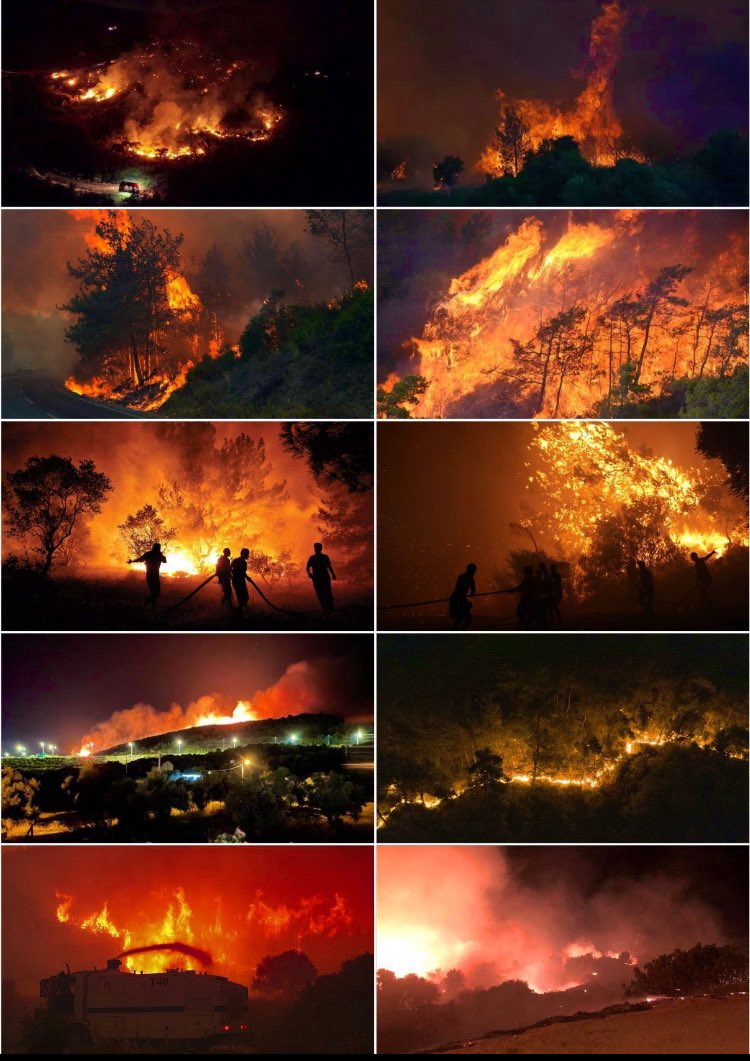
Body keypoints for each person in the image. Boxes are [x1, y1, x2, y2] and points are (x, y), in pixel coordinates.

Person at [128, 542, 167, 608]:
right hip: (152, 575)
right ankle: (148, 602)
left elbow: (164, 561)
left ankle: (151, 604)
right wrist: (132, 561)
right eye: (158, 548)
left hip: (153, 575)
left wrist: (132, 561)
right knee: (156, 593)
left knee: (155, 593)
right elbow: (140, 559)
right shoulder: (154, 555)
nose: (158, 549)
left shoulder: (150, 554)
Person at [306, 542, 336, 613]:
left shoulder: (324, 557)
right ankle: (325, 607)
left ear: (320, 548)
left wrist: (333, 574)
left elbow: (329, 567)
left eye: (316, 548)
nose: (315, 549)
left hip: (322, 578)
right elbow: (307, 567)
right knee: (320, 593)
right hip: (317, 578)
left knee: (326, 592)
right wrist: (309, 573)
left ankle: (330, 607)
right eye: (315, 548)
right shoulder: (313, 558)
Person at [448, 562, 477, 629]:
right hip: (457, 599)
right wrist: (466, 600)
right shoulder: (463, 577)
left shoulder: (469, 578)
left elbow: (473, 591)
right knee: (464, 618)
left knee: (462, 618)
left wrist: (472, 593)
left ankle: (457, 632)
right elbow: (458, 591)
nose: (473, 573)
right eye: (473, 571)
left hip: (460, 599)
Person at [231, 548, 253, 618]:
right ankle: (237, 615)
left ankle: (239, 613)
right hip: (237, 582)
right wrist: (233, 578)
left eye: (248, 554)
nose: (248, 555)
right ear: (242, 554)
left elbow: (243, 573)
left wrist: (247, 578)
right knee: (241, 599)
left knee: (246, 598)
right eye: (247, 554)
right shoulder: (236, 561)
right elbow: (230, 569)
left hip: (242, 582)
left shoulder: (244, 562)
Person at [549, 562, 563, 627]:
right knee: (553, 607)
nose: (550, 570)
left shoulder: (556, 576)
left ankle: (558, 621)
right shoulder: (553, 576)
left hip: (557, 594)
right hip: (555, 594)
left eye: (551, 569)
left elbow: (556, 585)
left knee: (554, 607)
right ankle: (555, 621)